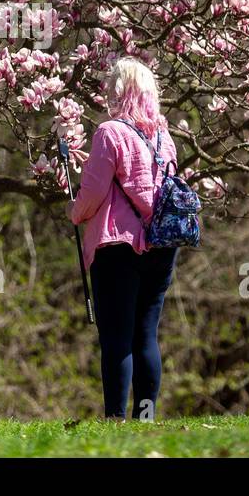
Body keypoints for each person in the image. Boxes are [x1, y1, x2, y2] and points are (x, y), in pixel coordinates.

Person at [68, 57, 180, 421]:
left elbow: (95, 193)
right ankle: (144, 417)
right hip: (162, 246)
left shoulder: (109, 133)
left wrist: (74, 212)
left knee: (116, 336)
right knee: (146, 335)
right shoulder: (165, 139)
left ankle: (115, 418)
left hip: (118, 245)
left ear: (117, 92)